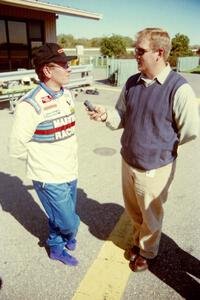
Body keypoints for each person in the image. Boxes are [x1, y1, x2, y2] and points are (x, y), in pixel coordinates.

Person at [86, 28, 199, 272]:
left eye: (140, 51)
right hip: (128, 161)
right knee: (133, 210)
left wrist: (159, 148)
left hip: (155, 168)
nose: (134, 55)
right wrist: (105, 115)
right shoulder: (132, 82)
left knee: (151, 215)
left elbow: (190, 131)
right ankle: (138, 241)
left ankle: (147, 252)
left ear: (159, 53)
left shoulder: (179, 89)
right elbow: (122, 116)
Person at [9, 43, 80, 266]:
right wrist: (41, 163)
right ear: (47, 71)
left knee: (59, 215)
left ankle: (59, 242)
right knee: (69, 222)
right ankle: (59, 241)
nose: (69, 68)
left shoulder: (67, 94)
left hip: (70, 170)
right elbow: (17, 146)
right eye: (64, 65)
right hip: (49, 176)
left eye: (69, 64)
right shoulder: (30, 104)